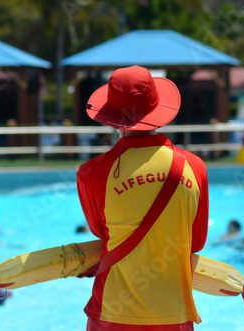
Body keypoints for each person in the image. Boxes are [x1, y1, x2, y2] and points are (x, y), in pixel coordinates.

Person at [76, 66, 209, 330]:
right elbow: (196, 242)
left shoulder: (91, 173)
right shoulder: (195, 167)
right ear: (158, 108)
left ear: (110, 116)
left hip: (112, 312)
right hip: (175, 313)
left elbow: (101, 232)